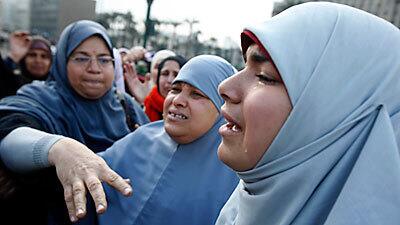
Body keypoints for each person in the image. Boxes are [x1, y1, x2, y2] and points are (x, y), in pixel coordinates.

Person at [215, 2, 400, 225]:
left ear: (333, 114)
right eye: (245, 67)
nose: (224, 87)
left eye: (265, 76)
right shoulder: (238, 210)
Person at [1, 55, 239, 225]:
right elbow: (86, 178)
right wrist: (56, 150)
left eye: (197, 94)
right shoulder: (143, 138)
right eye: (175, 90)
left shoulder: (238, 176)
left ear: (223, 108)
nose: (177, 100)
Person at [0, 20, 149, 224]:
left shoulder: (128, 106)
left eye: (104, 60)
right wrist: (59, 148)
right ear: (62, 61)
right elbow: (10, 133)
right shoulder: (40, 97)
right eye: (81, 58)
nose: (94, 68)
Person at [0, 32, 52, 98]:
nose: (38, 60)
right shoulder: (11, 85)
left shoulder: (57, 90)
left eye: (44, 56)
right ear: (23, 58)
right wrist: (13, 57)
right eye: (32, 55)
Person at [143, 55, 187, 121]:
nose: (170, 80)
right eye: (165, 74)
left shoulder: (189, 112)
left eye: (176, 75)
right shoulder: (147, 105)